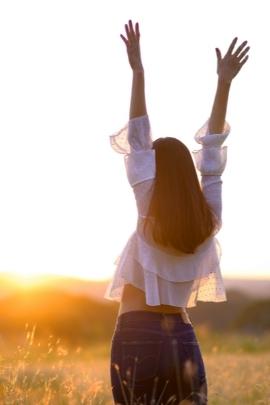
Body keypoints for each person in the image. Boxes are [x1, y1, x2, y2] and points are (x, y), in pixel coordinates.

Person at [104, 20, 249, 405]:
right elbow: (214, 155)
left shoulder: (149, 205)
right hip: (183, 337)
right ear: (187, 172)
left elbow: (137, 139)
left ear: (155, 173)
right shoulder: (207, 217)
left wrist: (138, 72)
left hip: (136, 332)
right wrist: (224, 85)